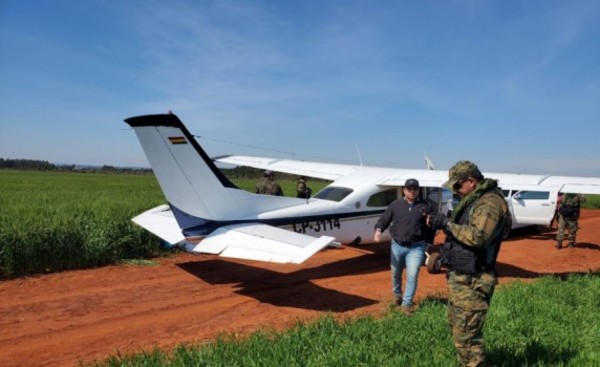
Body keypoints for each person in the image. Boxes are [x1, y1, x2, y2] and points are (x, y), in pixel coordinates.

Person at [428, 161, 511, 367]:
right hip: (463, 278)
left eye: (457, 185)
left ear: (471, 181)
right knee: (460, 332)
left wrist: (446, 224)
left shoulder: (490, 202)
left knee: (467, 337)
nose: (455, 191)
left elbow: (478, 237)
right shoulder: (474, 200)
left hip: (474, 280)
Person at [373, 178, 434, 315]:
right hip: (397, 245)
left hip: (416, 247)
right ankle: (397, 295)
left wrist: (429, 242)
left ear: (419, 190)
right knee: (396, 273)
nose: (412, 192)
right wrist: (378, 230)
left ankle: (406, 304)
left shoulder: (425, 207)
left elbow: (432, 227)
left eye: (415, 189)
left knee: (412, 275)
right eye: (409, 189)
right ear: (404, 190)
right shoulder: (395, 205)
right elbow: (385, 219)